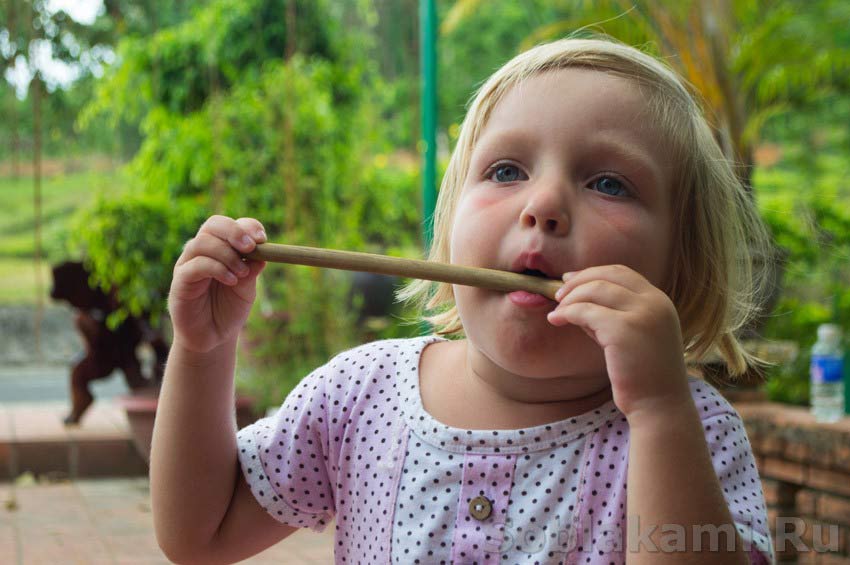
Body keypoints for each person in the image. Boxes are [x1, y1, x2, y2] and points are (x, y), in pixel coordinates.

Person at [151, 37, 776, 564]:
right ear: (448, 231)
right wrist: (203, 350)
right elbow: (199, 534)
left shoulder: (692, 430)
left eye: (608, 182)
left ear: (682, 266)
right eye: (506, 171)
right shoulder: (358, 398)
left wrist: (660, 411)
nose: (545, 205)